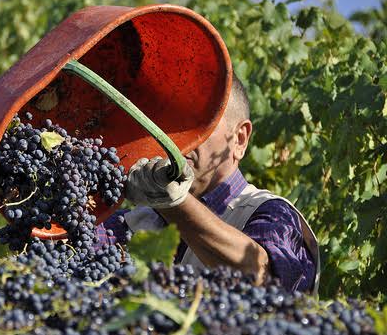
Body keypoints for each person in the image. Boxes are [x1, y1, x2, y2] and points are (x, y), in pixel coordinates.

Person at [96, 75, 320, 294]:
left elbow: (263, 277)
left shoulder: (270, 213)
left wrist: (175, 204)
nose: (176, 137)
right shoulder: (128, 224)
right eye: (168, 123)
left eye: (198, 120)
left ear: (239, 139)